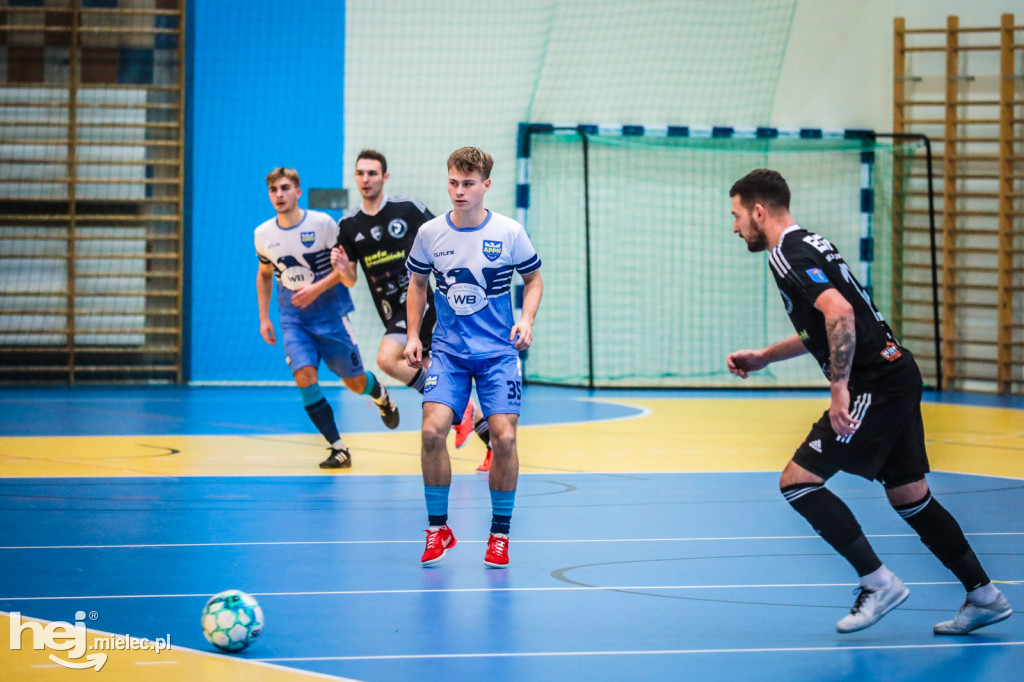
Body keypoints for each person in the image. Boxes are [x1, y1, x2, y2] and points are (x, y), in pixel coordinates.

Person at [725, 168, 1012, 635]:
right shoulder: (811, 243)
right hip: (898, 373)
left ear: (759, 211)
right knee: (910, 496)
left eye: (737, 216)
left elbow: (839, 314)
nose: (735, 227)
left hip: (874, 382)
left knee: (799, 482)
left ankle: (879, 583)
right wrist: (764, 356)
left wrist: (840, 390)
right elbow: (826, 324)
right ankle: (985, 595)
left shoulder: (785, 254)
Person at [404, 147, 544, 568]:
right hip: (448, 352)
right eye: (453, 182)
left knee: (504, 437)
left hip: (499, 353)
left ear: (486, 185)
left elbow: (534, 279)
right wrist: (414, 335)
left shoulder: (509, 232)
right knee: (432, 433)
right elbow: (416, 285)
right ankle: (437, 528)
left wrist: (527, 319)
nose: (459, 191)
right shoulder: (430, 233)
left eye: (468, 184)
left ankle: (499, 535)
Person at [330, 150, 492, 470]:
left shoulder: (407, 209)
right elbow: (349, 279)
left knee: (387, 358)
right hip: (391, 312)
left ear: (385, 177)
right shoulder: (348, 225)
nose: (366, 179)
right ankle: (490, 443)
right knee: (435, 374)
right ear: (355, 178)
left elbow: (446, 236)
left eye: (373, 173)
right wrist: (342, 268)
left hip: (421, 305)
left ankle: (459, 408)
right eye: (361, 173)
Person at [256, 167, 400, 470]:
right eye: (273, 190)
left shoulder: (322, 224)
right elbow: (265, 274)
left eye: (284, 188)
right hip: (293, 319)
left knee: (354, 382)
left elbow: (345, 270)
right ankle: (338, 447)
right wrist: (263, 317)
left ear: (298, 191)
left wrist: (316, 289)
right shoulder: (263, 234)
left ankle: (379, 394)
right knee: (304, 377)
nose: (279, 195)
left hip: (331, 316)